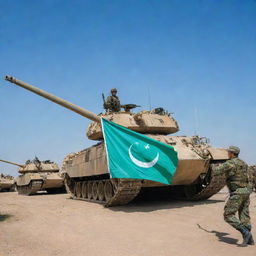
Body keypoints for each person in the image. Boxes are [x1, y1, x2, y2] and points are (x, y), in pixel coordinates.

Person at [214, 146, 254, 245]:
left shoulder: (230, 163)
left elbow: (216, 171)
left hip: (237, 193)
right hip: (246, 192)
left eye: (229, 152)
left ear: (232, 153)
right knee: (244, 215)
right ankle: (250, 239)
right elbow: (250, 177)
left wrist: (215, 165)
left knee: (228, 215)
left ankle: (245, 232)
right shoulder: (244, 163)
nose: (228, 153)